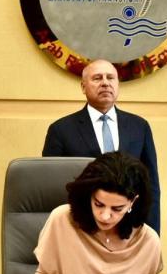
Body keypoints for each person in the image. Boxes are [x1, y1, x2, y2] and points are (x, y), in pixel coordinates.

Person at [34, 151, 163, 274]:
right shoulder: (62, 220)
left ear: (133, 202)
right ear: (89, 195)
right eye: (99, 204)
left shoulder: (148, 241)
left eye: (117, 209)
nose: (105, 216)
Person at [42, 59, 161, 234]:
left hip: (128, 229)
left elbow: (151, 187)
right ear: (83, 87)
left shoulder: (139, 126)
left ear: (117, 84)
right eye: (97, 78)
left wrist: (152, 233)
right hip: (80, 228)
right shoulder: (61, 130)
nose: (105, 83)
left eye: (110, 78)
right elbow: (50, 186)